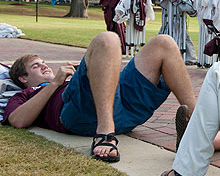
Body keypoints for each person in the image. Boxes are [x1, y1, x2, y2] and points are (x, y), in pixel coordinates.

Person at [3, 32, 197, 162]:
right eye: (35, 66)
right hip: (82, 116)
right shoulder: (26, 94)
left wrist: (93, 73)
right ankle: (105, 133)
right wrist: (54, 84)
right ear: (23, 78)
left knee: (164, 43)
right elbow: (17, 120)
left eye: (43, 62)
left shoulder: (69, 82)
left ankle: (199, 127)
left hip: (124, 109)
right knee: (107, 39)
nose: (44, 66)